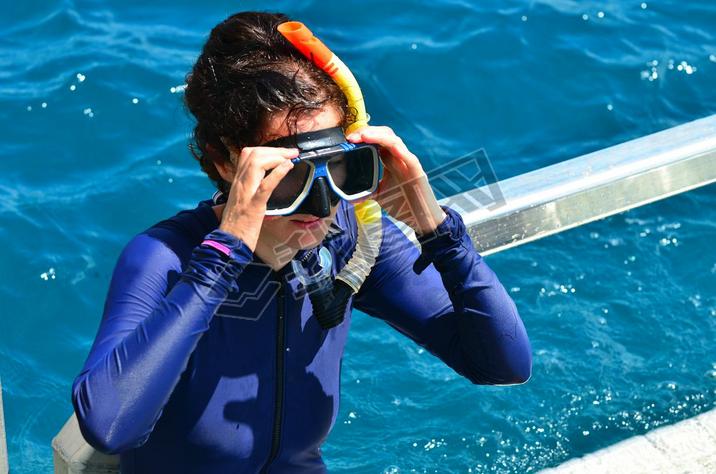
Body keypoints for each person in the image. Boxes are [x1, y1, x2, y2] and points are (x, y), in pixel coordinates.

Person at [71, 11, 532, 474]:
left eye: (339, 169)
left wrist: (437, 228)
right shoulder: (167, 259)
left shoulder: (351, 239)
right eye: (289, 178)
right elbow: (110, 425)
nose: (321, 203)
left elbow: (502, 362)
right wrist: (222, 258)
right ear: (226, 162)